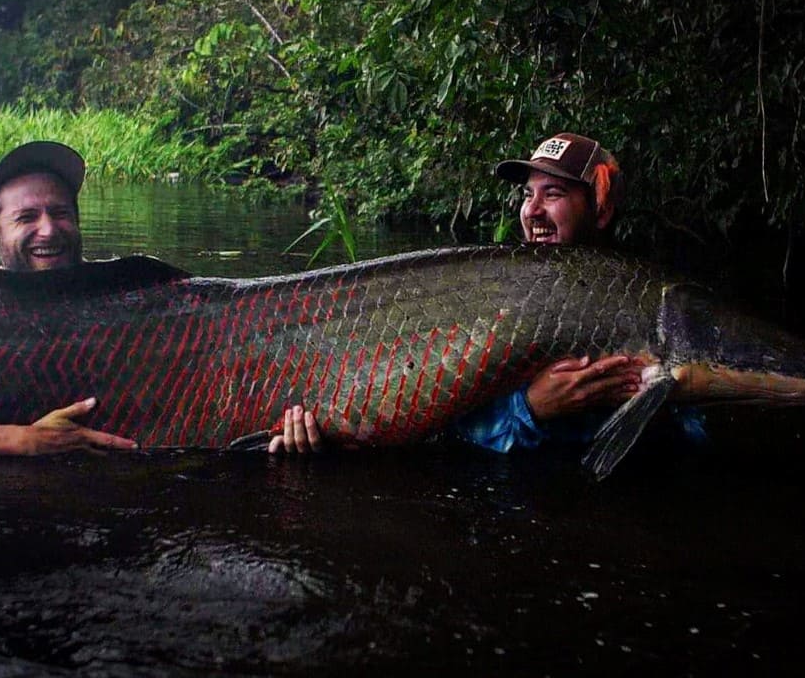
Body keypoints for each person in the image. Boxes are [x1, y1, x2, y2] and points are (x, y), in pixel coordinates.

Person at [0, 140, 304, 457]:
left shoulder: (140, 299)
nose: (48, 229)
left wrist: (288, 438)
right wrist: (23, 442)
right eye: (27, 217)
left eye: (60, 213)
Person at [268, 132, 703, 453]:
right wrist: (532, 410)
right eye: (528, 195)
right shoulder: (489, 296)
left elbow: (695, 436)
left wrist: (641, 405)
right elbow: (449, 433)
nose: (533, 211)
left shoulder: (646, 298)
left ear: (601, 209)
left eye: (553, 194)